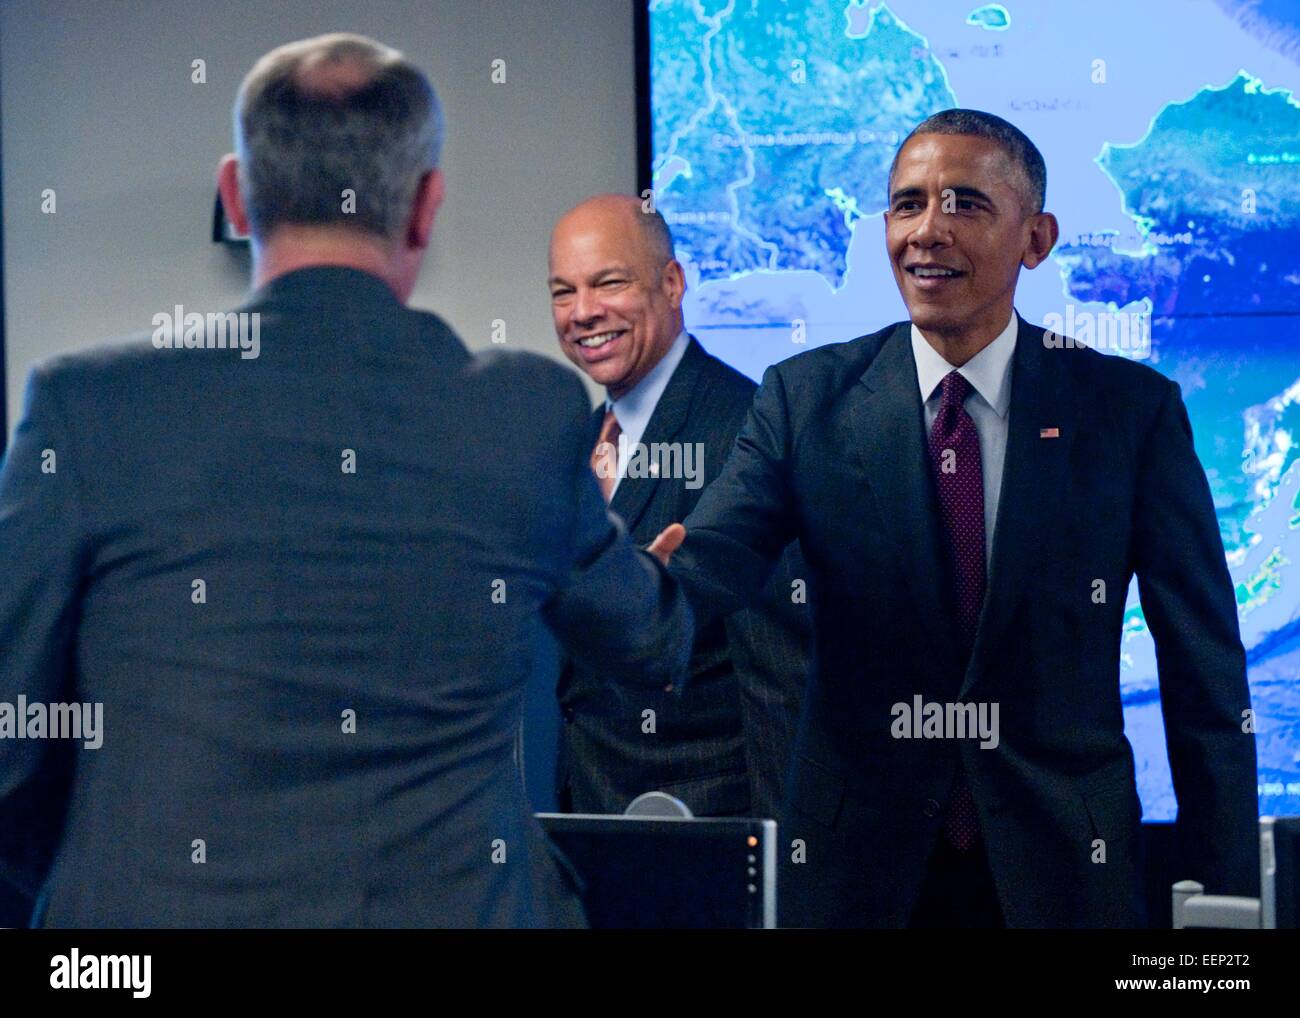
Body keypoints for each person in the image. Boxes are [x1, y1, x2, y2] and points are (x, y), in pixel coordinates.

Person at [0, 33, 692, 928]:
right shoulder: (523, 417)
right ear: (425, 207)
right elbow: (649, 645)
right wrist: (650, 576)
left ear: (238, 197)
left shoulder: (86, 411)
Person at [650, 109, 1258, 927]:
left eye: (964, 204)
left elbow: (1205, 675)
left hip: (1065, 875)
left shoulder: (1130, 413)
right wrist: (642, 585)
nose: (926, 232)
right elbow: (719, 550)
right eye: (907, 205)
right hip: (857, 877)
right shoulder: (804, 398)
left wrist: (1224, 900)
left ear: (1036, 239)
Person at [547, 194, 808, 819]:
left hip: (707, 830)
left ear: (671, 283)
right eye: (562, 291)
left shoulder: (748, 429)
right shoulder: (579, 443)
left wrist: (779, 875)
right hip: (587, 821)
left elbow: (778, 677)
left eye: (608, 282)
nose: (583, 312)